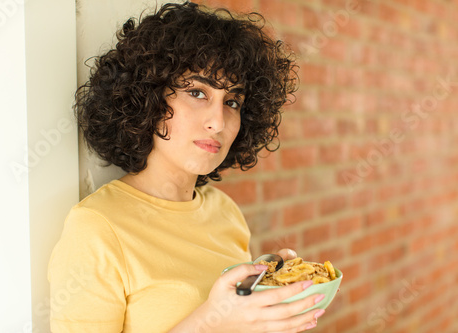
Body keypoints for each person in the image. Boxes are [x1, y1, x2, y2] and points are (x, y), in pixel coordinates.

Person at [48, 2, 325, 332]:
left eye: (232, 101)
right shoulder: (96, 228)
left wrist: (268, 304)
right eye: (197, 92)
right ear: (147, 98)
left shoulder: (225, 211)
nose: (218, 122)